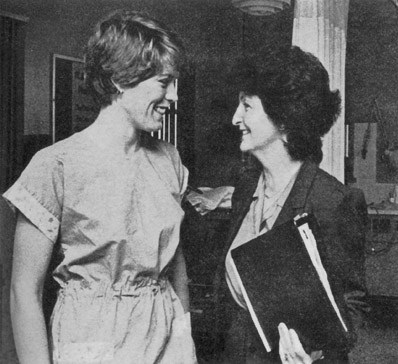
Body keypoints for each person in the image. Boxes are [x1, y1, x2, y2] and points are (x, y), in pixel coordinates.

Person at [3, 9, 197, 364]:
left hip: (166, 332)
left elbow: (175, 265)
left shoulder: (169, 160)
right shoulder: (55, 165)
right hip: (92, 337)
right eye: (163, 82)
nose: (174, 97)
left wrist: (184, 341)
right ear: (121, 80)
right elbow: (23, 293)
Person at [215, 46, 368, 363]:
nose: (235, 118)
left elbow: (352, 307)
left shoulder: (334, 201)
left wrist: (314, 352)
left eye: (246, 106)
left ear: (283, 119)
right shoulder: (246, 190)